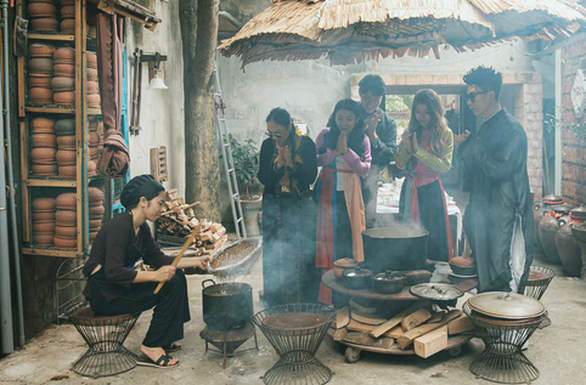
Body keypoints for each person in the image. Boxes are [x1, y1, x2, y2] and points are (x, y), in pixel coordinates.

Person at [82, 175, 211, 368]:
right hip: (106, 295)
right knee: (170, 285)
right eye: (159, 203)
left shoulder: (140, 227)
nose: (162, 209)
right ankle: (151, 345)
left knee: (176, 276)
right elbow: (113, 273)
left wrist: (196, 261)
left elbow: (159, 259)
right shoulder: (119, 226)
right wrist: (154, 276)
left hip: (118, 289)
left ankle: (165, 337)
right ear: (143, 202)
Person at [456, 66, 534, 293]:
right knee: (485, 270)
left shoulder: (511, 128)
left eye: (472, 96)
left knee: (501, 270)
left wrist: (469, 147)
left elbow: (498, 169)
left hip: (504, 212)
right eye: (467, 97)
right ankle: (487, 322)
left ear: (490, 95)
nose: (469, 102)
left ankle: (503, 326)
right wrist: (466, 149)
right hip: (485, 209)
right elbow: (476, 171)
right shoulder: (487, 126)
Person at [258, 108, 320, 307]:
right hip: (273, 203)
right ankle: (275, 303)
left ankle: (306, 302)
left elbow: (310, 176)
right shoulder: (268, 146)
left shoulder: (306, 144)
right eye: (271, 133)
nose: (274, 137)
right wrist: (277, 166)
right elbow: (263, 177)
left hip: (300, 204)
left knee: (302, 251)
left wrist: (292, 165)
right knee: (274, 253)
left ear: (290, 127)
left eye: (279, 133)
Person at [315, 99, 372, 304]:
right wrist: (335, 152)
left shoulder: (362, 138)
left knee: (349, 237)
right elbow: (316, 160)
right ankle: (327, 293)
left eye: (349, 118)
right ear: (334, 116)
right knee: (328, 237)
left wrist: (347, 152)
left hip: (351, 191)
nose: (344, 122)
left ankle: (349, 293)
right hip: (327, 189)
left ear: (357, 119)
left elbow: (365, 171)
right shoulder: (325, 134)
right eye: (340, 117)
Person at [395, 89, 454, 262]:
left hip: (432, 190)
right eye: (418, 112)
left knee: (434, 238)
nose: (422, 117)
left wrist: (417, 151)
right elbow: (399, 164)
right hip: (410, 188)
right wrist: (407, 149)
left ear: (435, 112)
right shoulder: (410, 132)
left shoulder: (445, 133)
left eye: (427, 112)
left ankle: (434, 281)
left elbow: (444, 166)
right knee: (408, 236)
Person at [358, 75, 397, 228]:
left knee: (368, 221)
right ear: (359, 93)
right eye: (367, 97)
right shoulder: (347, 113)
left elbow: (388, 156)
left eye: (376, 98)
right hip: (345, 175)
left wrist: (374, 137)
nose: (371, 103)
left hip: (371, 180)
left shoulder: (388, 123)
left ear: (382, 97)